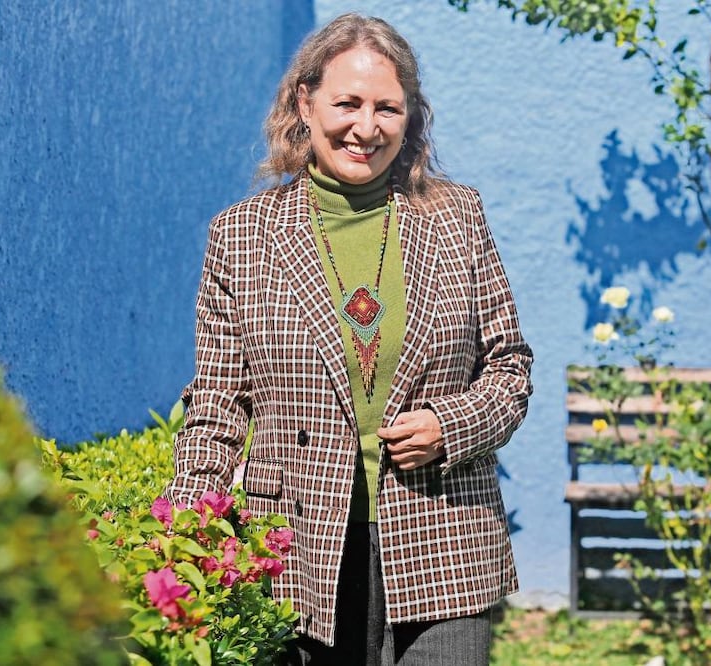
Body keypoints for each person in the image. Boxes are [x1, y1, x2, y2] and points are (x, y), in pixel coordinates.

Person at [164, 12, 533, 666]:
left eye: (387, 107)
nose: (366, 127)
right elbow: (218, 402)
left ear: (409, 117)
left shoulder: (457, 217)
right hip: (298, 550)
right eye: (347, 103)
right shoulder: (242, 236)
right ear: (303, 103)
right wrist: (188, 527)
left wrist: (450, 424)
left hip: (443, 543)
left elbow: (509, 370)